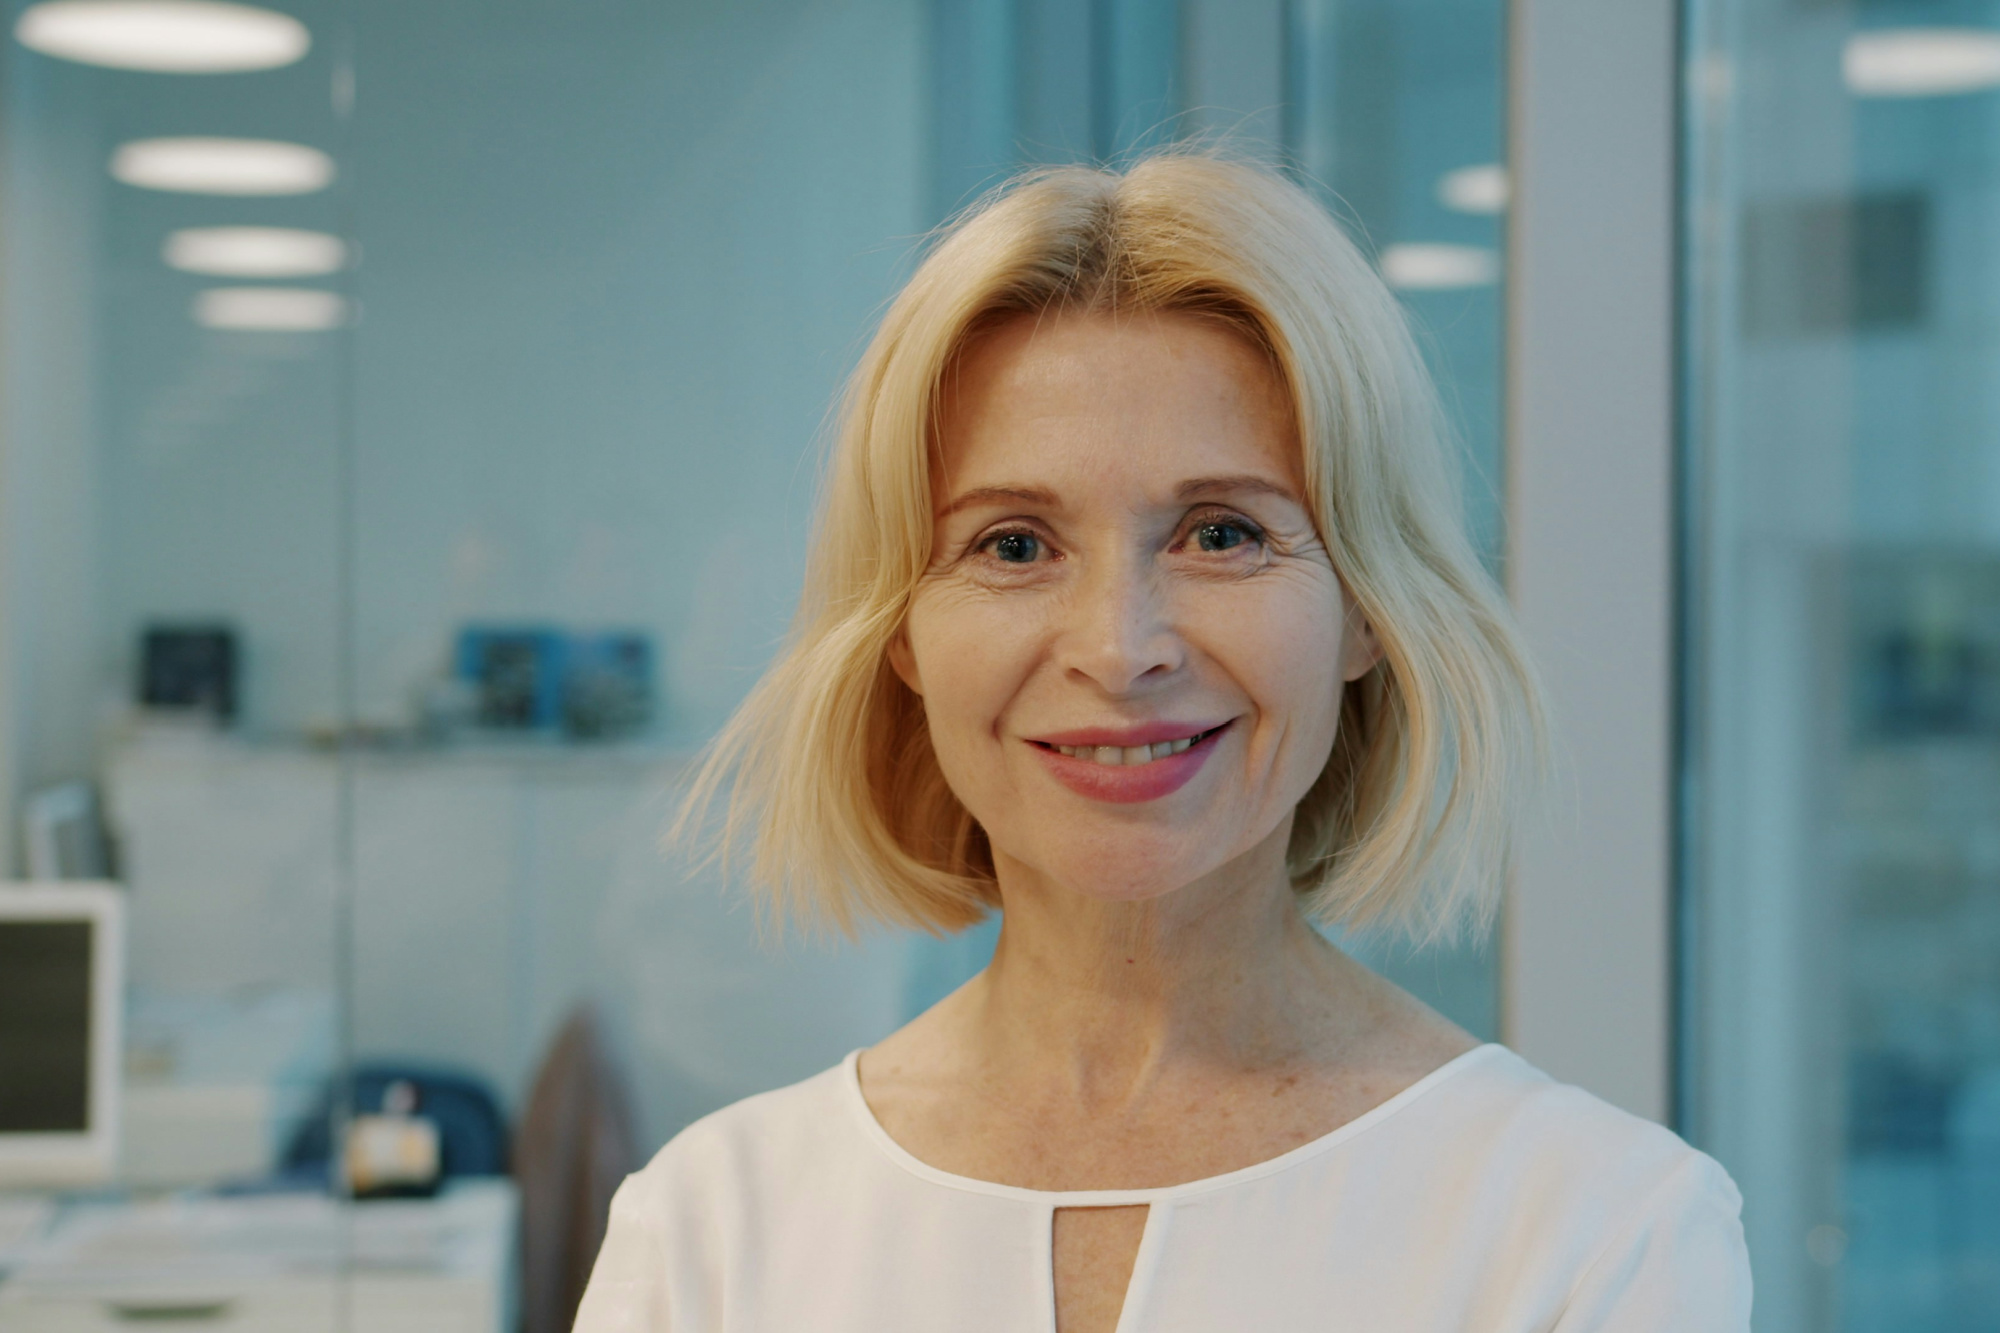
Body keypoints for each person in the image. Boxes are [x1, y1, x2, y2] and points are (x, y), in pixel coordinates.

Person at [573, 152, 1751, 1332]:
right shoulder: (709, 1234)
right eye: (1014, 546)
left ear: (1366, 612)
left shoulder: (1596, 1232)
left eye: (1220, 533)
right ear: (902, 637)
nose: (1118, 648)